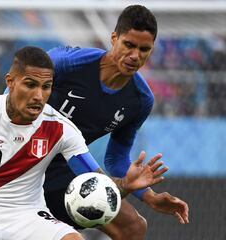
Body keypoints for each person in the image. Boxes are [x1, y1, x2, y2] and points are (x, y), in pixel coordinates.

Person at [0, 46, 167, 240]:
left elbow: (94, 182)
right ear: (11, 81)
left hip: (28, 217)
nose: (39, 96)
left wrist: (124, 185)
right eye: (30, 85)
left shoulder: (61, 127)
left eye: (46, 87)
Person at [43, 5, 189, 240]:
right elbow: (15, 91)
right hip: (22, 162)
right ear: (114, 38)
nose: (135, 56)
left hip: (64, 171)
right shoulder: (67, 63)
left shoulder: (140, 100)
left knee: (133, 227)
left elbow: (116, 158)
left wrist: (149, 195)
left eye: (144, 49)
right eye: (129, 45)